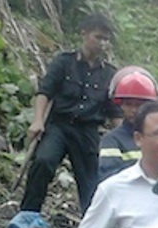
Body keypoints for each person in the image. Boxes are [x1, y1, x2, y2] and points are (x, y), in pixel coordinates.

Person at [19, 13, 120, 214]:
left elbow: (114, 111)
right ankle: (28, 215)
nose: (102, 43)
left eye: (106, 39)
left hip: (87, 131)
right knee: (43, 161)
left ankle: (91, 225)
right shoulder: (63, 62)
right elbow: (45, 92)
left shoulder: (110, 73)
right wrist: (37, 121)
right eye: (98, 37)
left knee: (91, 180)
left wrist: (122, 137)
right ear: (84, 34)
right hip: (59, 126)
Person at [97, 68, 158, 181]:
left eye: (139, 105)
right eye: (128, 104)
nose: (134, 110)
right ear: (120, 105)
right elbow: (109, 178)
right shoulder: (112, 140)